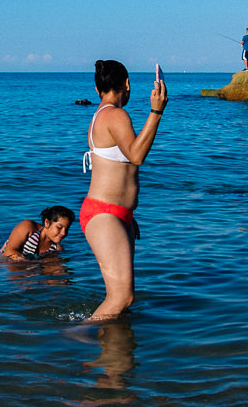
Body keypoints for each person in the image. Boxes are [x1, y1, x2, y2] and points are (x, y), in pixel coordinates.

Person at [81, 59, 168, 321]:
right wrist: (156, 112)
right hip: (105, 215)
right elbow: (137, 155)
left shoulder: (102, 115)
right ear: (127, 85)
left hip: (115, 215)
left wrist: (127, 215)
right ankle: (72, 340)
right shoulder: (115, 115)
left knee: (121, 299)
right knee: (121, 297)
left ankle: (114, 354)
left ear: (97, 89)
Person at [0, 205, 75, 261]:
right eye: (59, 227)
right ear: (47, 223)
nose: (64, 233)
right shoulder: (28, 227)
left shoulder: (56, 249)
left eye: (67, 229)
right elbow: (8, 252)